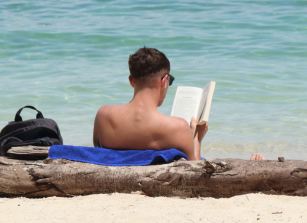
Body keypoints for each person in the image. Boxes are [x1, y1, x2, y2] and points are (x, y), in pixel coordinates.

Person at [93, 47, 265, 161]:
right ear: (164, 81)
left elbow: (101, 155)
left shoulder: (104, 115)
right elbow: (194, 172)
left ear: (131, 81)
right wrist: (196, 139)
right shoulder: (177, 128)